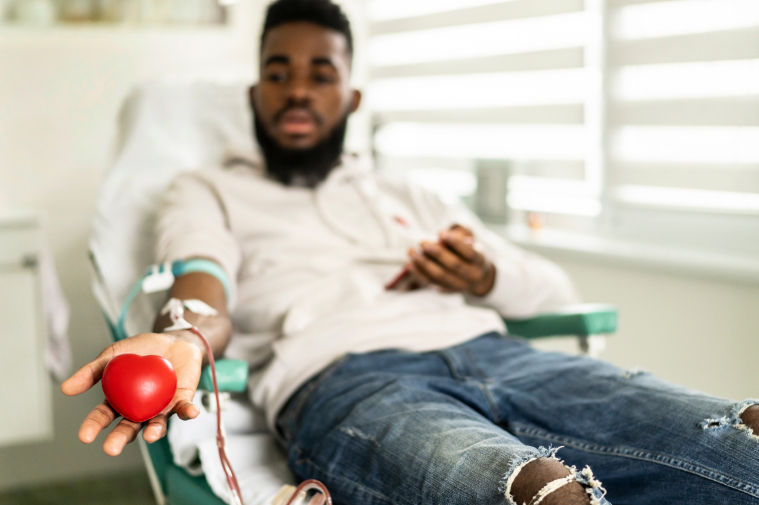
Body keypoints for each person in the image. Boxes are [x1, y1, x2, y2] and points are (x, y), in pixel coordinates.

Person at [62, 0, 759, 503]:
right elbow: (199, 276)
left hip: (503, 356)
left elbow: (548, 289)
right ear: (255, 92)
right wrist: (183, 336)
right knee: (539, 494)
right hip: (349, 381)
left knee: (744, 437)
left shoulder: (406, 192)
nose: (298, 88)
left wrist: (485, 273)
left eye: (320, 73)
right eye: (278, 72)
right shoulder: (207, 188)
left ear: (351, 94)